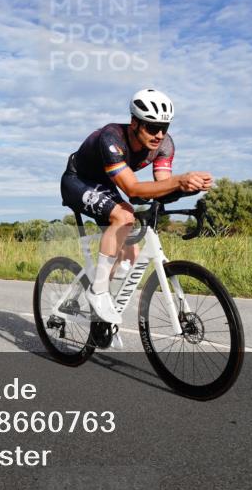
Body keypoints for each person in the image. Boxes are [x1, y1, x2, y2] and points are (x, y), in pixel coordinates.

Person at [60, 89, 213, 325]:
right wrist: (180, 180)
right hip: (78, 180)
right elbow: (132, 189)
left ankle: (95, 306)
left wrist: (187, 189)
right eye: (152, 128)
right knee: (124, 216)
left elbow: (161, 188)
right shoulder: (111, 138)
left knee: (127, 257)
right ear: (134, 123)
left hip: (105, 183)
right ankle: (97, 293)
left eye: (165, 127)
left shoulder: (164, 146)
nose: (159, 134)